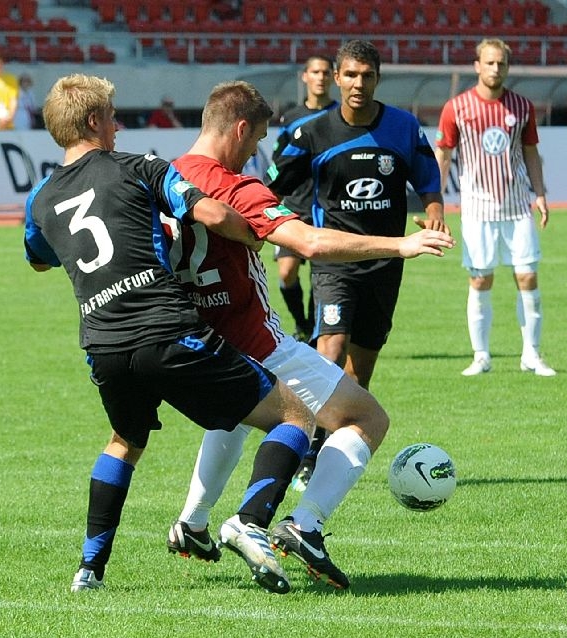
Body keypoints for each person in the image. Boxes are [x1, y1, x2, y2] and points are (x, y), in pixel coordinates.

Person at [24, 73, 316, 594]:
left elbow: (38, 260)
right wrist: (253, 235)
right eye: (113, 117)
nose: (117, 126)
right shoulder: (138, 167)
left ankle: (89, 569)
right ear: (95, 122)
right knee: (294, 414)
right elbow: (210, 210)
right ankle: (249, 522)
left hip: (104, 345)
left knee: (124, 441)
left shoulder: (41, 201)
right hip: (168, 332)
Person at [166, 80, 454, 590]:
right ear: (237, 129)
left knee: (234, 415)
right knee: (366, 417)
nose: (255, 152)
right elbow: (311, 243)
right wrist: (401, 244)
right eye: (254, 140)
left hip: (198, 342)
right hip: (259, 341)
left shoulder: (160, 179)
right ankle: (304, 525)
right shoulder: (233, 186)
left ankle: (191, 522)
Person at [268, 40, 446, 488]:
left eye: (367, 76)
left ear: (378, 78)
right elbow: (274, 185)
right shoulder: (311, 132)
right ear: (336, 76)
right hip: (335, 260)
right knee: (330, 346)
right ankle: (305, 449)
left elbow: (428, 180)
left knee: (360, 370)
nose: (357, 84)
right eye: (350, 75)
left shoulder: (403, 128)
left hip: (386, 261)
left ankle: (331, 448)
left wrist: (435, 206)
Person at [434, 38, 555, 378]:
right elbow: (443, 154)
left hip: (517, 206)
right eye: (489, 63)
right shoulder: (456, 108)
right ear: (477, 66)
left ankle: (531, 354)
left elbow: (531, 151)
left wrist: (540, 192)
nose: (495, 69)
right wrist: (435, 200)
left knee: (528, 277)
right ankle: (481, 356)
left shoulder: (522, 106)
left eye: (501, 63)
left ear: (507, 66)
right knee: (480, 280)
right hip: (476, 208)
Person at [272, 55, 338, 342]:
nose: (320, 77)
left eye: (325, 72)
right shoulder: (291, 118)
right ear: (305, 76)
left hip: (329, 204)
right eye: (315, 71)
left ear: (333, 77)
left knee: (321, 276)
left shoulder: (343, 114)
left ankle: (313, 330)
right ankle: (301, 323)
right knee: (287, 272)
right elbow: (279, 161)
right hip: (295, 204)